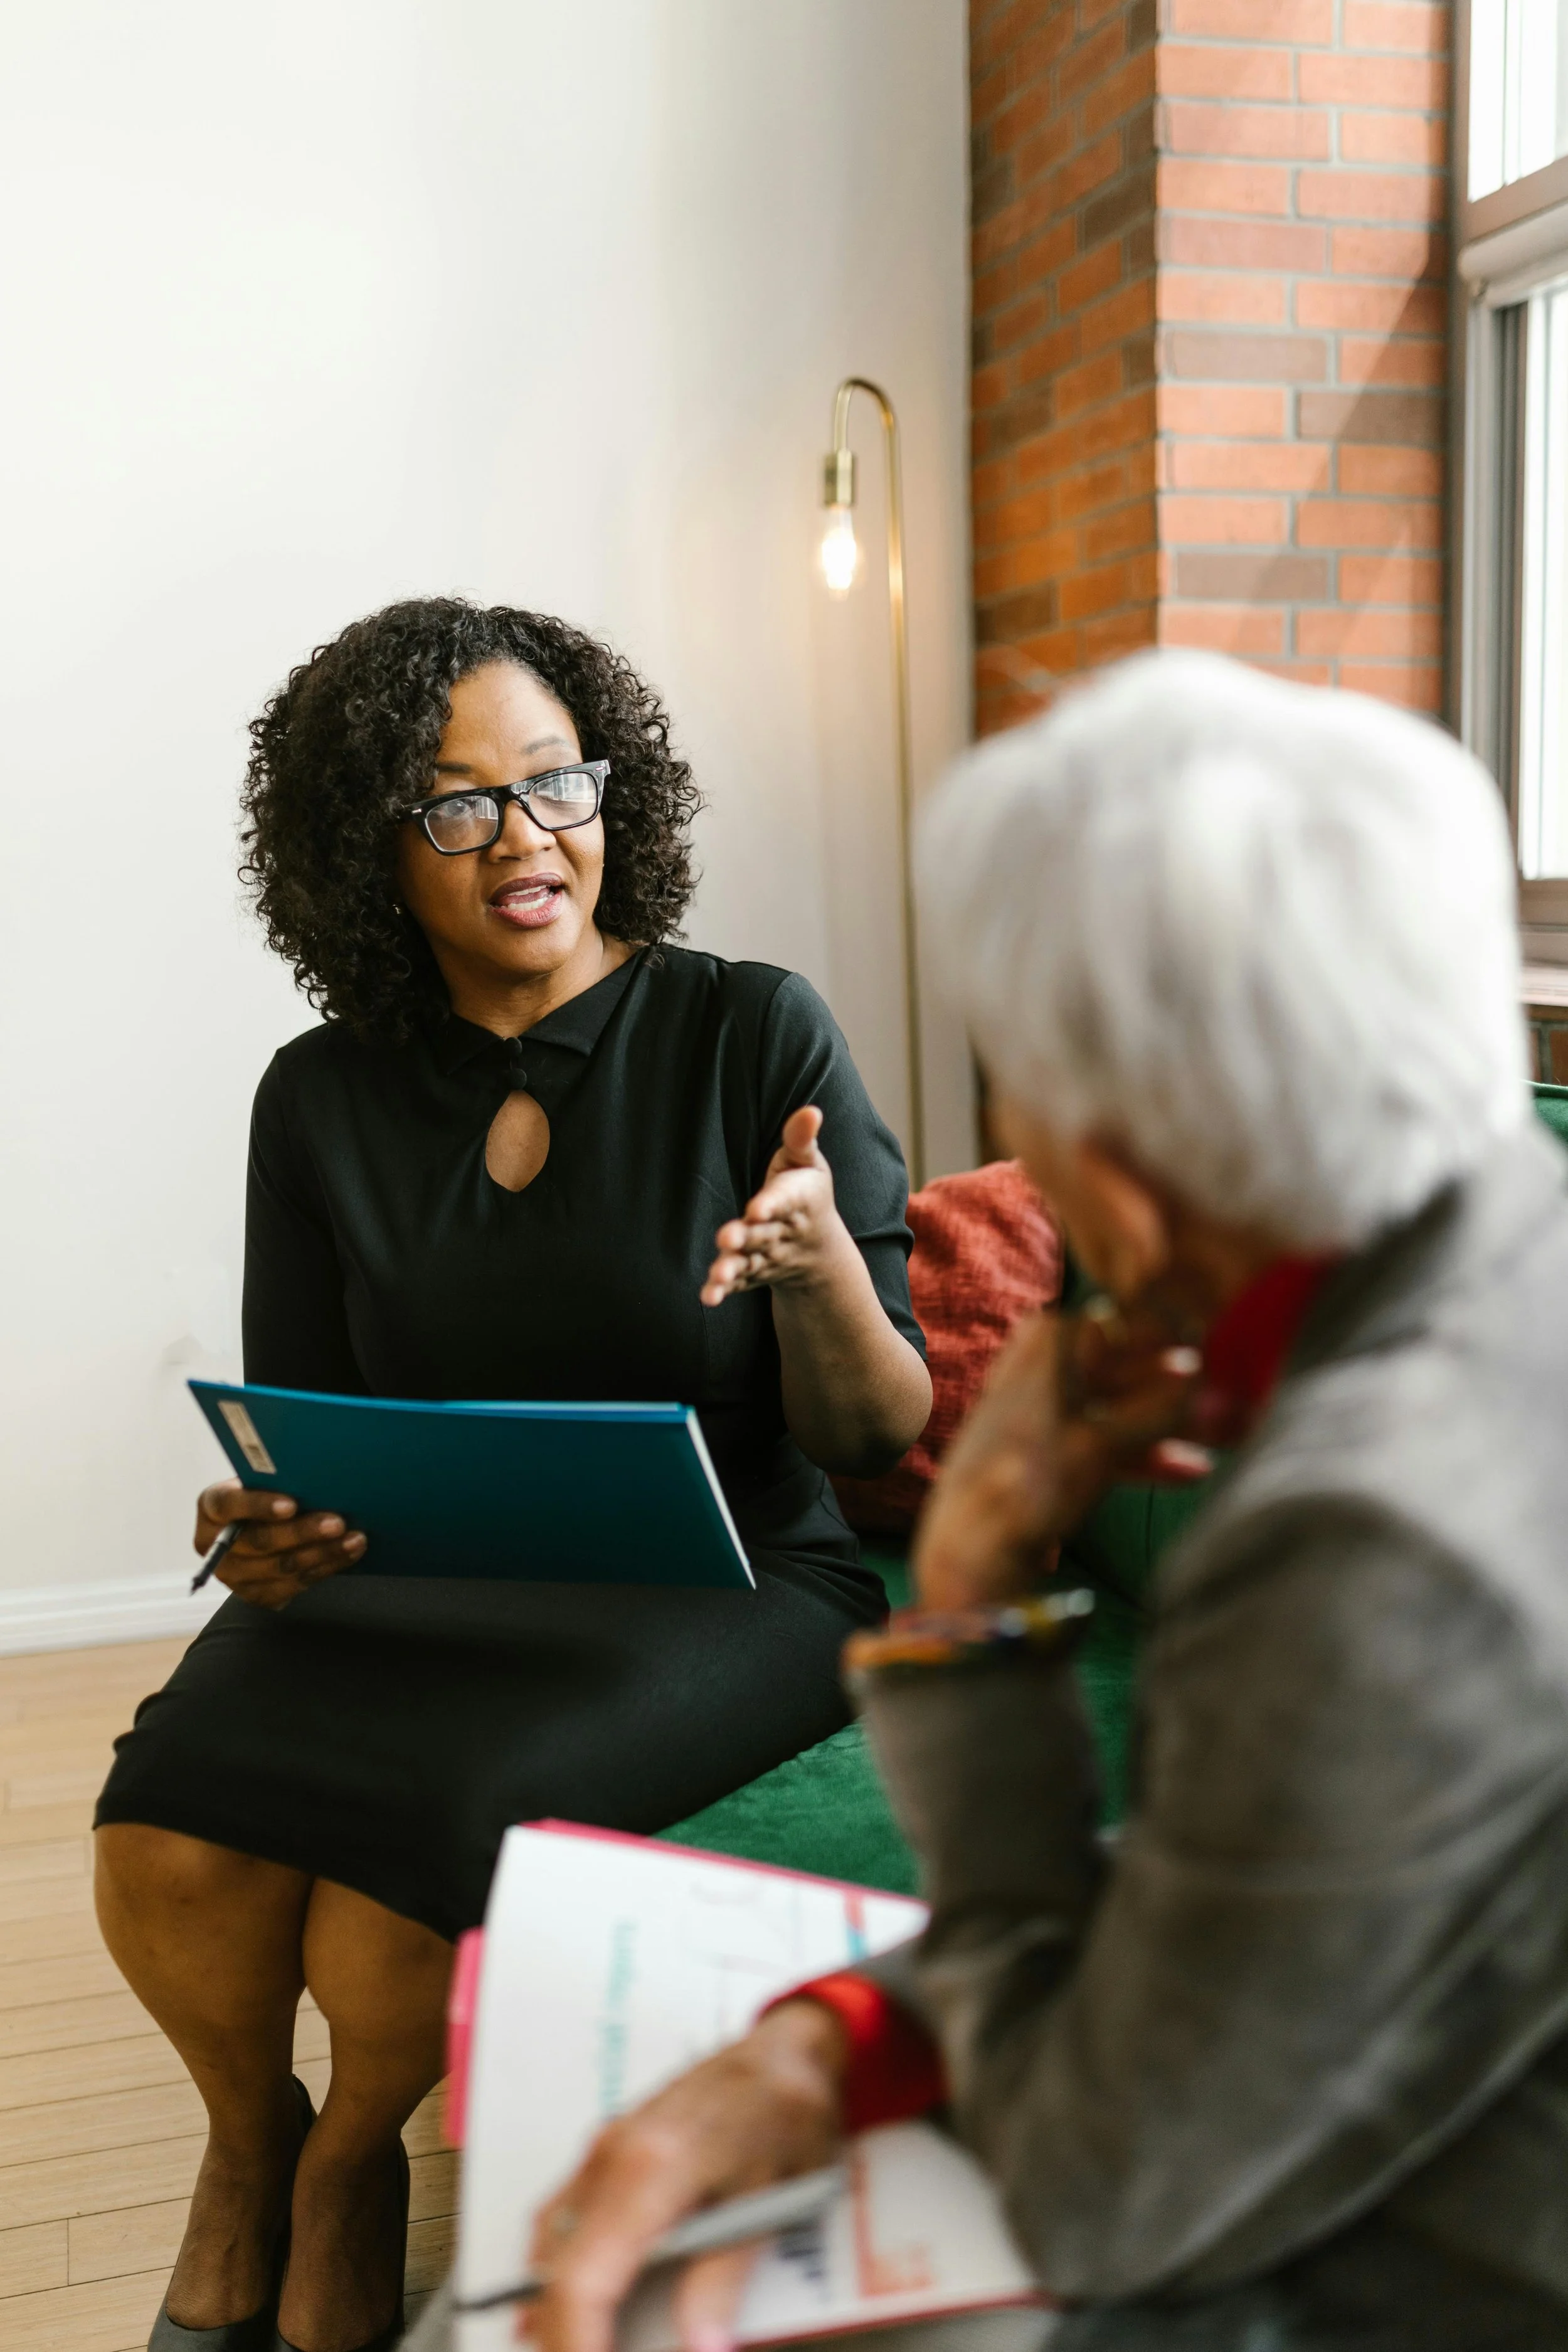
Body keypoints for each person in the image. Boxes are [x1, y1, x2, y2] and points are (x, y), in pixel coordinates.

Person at [513, 651, 1568, 2352]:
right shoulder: (1509, 1223)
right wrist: (833, 2036)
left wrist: (968, 1605)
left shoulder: (1373, 1533)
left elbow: (1102, 2184)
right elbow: (1275, 1877)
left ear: (1123, 1188)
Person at [92, 598, 931, 2352]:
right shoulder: (317, 1094)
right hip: (410, 1571)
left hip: (732, 1579)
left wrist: (818, 1272)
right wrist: (270, 1529)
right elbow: (309, 1415)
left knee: (403, 1860)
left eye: (558, 783)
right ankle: (255, 2146)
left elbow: (873, 1437)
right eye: (454, 802)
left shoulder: (750, 1030)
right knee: (168, 1827)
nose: (525, 838)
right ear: (365, 849)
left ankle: (352, 2165)